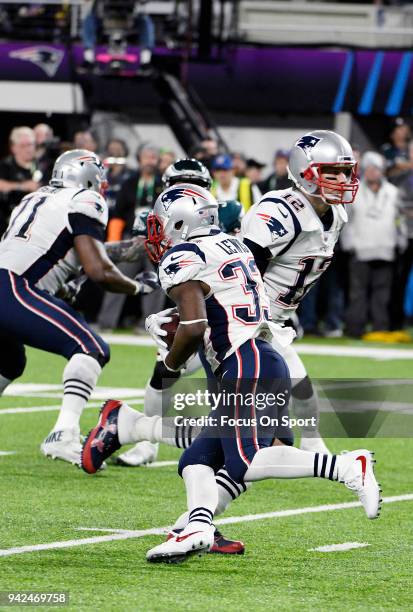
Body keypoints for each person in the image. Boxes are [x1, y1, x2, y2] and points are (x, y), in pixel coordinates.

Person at [82, 181, 380, 564]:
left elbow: (193, 327)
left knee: (248, 461)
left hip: (244, 361)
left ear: (178, 222)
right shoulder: (234, 244)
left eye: (160, 223)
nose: (155, 232)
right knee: (196, 460)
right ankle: (197, 526)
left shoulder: (183, 258)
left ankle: (346, 467)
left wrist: (169, 364)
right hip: (261, 355)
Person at [0, 149, 159, 466]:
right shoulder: (85, 200)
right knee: (90, 346)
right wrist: (138, 286)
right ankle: (63, 433)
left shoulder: (39, 197)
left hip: (8, 283)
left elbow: (76, 249)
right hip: (14, 288)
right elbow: (98, 268)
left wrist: (134, 247)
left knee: (9, 361)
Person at [97, 143, 163, 331]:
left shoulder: (163, 184)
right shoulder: (130, 182)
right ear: (139, 159)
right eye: (146, 157)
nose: (149, 161)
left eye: (153, 157)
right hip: (132, 238)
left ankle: (149, 325)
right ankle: (105, 322)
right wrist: (114, 241)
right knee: (118, 278)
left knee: (155, 282)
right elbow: (118, 213)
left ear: (157, 161)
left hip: (156, 240)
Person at [344, 151, 404, 338]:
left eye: (376, 169)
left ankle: (380, 328)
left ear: (381, 171)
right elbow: (346, 219)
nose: (372, 172)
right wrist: (348, 243)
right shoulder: (354, 191)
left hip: (385, 249)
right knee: (358, 293)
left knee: (382, 294)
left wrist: (400, 241)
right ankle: (355, 329)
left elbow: (400, 220)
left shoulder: (393, 193)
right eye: (368, 169)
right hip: (360, 250)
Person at [0, 126, 41, 237]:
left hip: (37, 222)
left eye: (31, 144)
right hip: (9, 221)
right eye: (23, 145)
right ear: (14, 148)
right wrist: (22, 186)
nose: (28, 149)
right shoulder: (5, 165)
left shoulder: (41, 164)